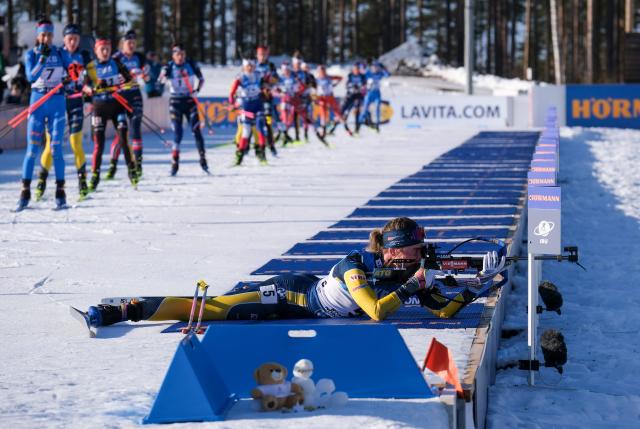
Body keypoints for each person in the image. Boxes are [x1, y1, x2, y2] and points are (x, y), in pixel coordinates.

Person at [83, 217, 506, 327]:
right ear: (395, 253)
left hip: (313, 303)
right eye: (415, 250)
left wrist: (479, 288)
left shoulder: (404, 272)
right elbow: (377, 312)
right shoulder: (355, 266)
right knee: (212, 310)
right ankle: (126, 308)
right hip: (291, 295)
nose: (421, 256)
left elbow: (445, 312)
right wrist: (416, 284)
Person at [15, 18, 72, 211]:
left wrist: (73, 75)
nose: (46, 38)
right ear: (38, 36)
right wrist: (42, 59)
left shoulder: (60, 52)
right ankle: (25, 192)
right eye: (43, 35)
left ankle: (60, 193)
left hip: (56, 103)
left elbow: (73, 71)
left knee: (56, 149)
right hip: (38, 103)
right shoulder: (31, 54)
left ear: (52, 36)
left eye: (49, 35)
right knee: (32, 150)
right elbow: (31, 76)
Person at [35, 23, 92, 202]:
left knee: (75, 143)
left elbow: (93, 78)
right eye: (69, 38)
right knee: (51, 145)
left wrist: (92, 87)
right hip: (57, 102)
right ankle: (41, 182)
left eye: (76, 38)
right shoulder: (58, 53)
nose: (73, 42)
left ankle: (82, 182)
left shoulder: (84, 56)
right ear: (64, 39)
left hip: (75, 102)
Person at [84, 36, 138, 192]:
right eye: (102, 49)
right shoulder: (91, 67)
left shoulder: (116, 63)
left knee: (123, 138)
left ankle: (132, 170)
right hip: (99, 107)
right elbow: (84, 87)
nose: (106, 52)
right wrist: (92, 89)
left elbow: (131, 81)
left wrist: (116, 83)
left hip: (117, 106)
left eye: (108, 48)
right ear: (96, 51)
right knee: (99, 144)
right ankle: (95, 175)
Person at [157, 43, 207, 175]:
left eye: (182, 54)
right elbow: (160, 82)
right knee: (178, 133)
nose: (180, 57)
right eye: (178, 54)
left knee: (196, 130)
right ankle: (175, 162)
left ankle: (203, 159)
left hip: (190, 101)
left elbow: (201, 79)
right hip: (175, 102)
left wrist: (197, 90)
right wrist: (163, 75)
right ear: (173, 55)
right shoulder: (169, 66)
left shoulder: (191, 64)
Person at [106, 30, 148, 179]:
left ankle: (138, 164)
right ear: (122, 44)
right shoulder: (116, 57)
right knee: (121, 133)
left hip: (135, 95)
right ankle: (113, 165)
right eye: (128, 42)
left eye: (134, 43)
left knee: (136, 127)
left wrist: (145, 75)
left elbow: (147, 76)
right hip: (120, 97)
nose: (131, 45)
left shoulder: (139, 57)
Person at [229, 58, 268, 166]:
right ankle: (239, 156)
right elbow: (231, 92)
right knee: (246, 132)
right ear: (244, 66)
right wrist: (232, 103)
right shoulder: (240, 77)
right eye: (248, 66)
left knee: (260, 128)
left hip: (258, 105)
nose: (250, 68)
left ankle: (262, 154)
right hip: (246, 106)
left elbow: (270, 82)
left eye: (252, 65)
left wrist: (267, 89)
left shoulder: (259, 74)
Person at [314, 65, 349, 139]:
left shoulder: (329, 77)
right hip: (322, 98)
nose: (322, 73)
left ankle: (347, 129)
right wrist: (316, 97)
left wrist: (335, 84)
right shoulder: (316, 80)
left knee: (338, 113)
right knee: (323, 114)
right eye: (320, 71)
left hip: (330, 97)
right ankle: (323, 132)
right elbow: (314, 89)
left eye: (323, 71)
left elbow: (340, 78)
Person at [255, 45, 278, 156]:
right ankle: (256, 145)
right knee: (255, 122)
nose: (262, 56)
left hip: (267, 97)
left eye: (264, 54)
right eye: (260, 54)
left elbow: (275, 79)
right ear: (257, 55)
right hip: (255, 98)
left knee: (268, 121)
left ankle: (271, 145)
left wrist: (269, 82)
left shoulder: (271, 65)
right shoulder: (253, 65)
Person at [358, 61, 390, 132]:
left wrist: (383, 68)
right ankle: (359, 125)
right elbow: (361, 72)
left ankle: (377, 126)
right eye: (373, 67)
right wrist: (362, 66)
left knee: (377, 109)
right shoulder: (368, 73)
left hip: (377, 93)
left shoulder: (380, 74)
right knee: (364, 109)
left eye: (376, 67)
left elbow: (387, 75)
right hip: (369, 93)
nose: (375, 69)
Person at [340, 62, 367, 135]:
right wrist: (352, 86)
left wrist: (360, 87)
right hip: (350, 95)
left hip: (358, 95)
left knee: (357, 111)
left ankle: (357, 129)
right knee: (343, 110)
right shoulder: (350, 75)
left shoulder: (362, 76)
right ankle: (333, 127)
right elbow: (346, 85)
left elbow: (364, 86)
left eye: (357, 69)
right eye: (355, 69)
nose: (356, 70)